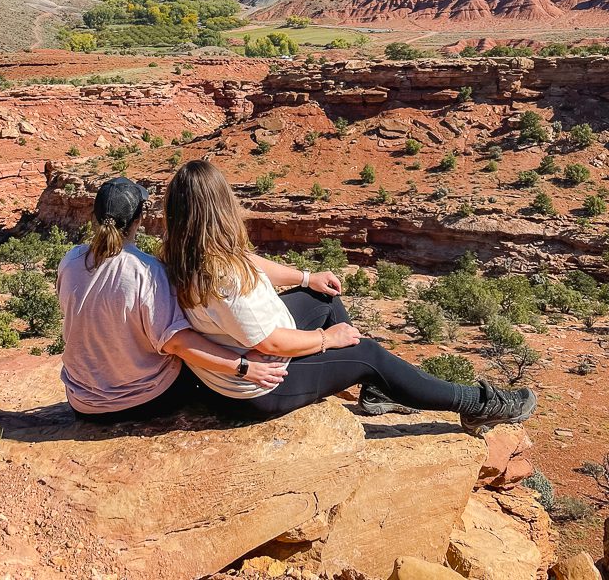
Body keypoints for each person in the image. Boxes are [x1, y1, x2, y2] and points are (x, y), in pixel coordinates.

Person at [160, 160, 537, 433]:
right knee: (367, 352)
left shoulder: (187, 251)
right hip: (259, 387)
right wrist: (328, 339)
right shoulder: (223, 274)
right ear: (222, 207)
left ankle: (375, 390)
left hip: (235, 370)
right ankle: (477, 404)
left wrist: (306, 277)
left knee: (323, 299)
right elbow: (269, 340)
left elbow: (252, 262)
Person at [56, 176, 288, 421]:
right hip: (142, 400)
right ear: (138, 220)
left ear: (95, 217)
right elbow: (177, 342)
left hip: (82, 403)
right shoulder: (147, 271)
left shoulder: (71, 260)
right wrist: (243, 366)